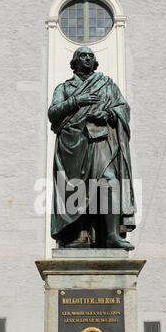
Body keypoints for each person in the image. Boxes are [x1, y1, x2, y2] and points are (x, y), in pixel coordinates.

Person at [48, 47, 135, 250]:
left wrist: (109, 115)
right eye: (82, 56)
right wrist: (76, 101)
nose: (87, 59)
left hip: (99, 139)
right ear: (74, 62)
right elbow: (53, 113)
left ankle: (112, 235)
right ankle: (77, 235)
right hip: (72, 143)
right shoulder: (64, 88)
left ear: (95, 62)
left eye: (90, 56)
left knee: (109, 181)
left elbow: (123, 107)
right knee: (75, 187)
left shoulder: (107, 84)